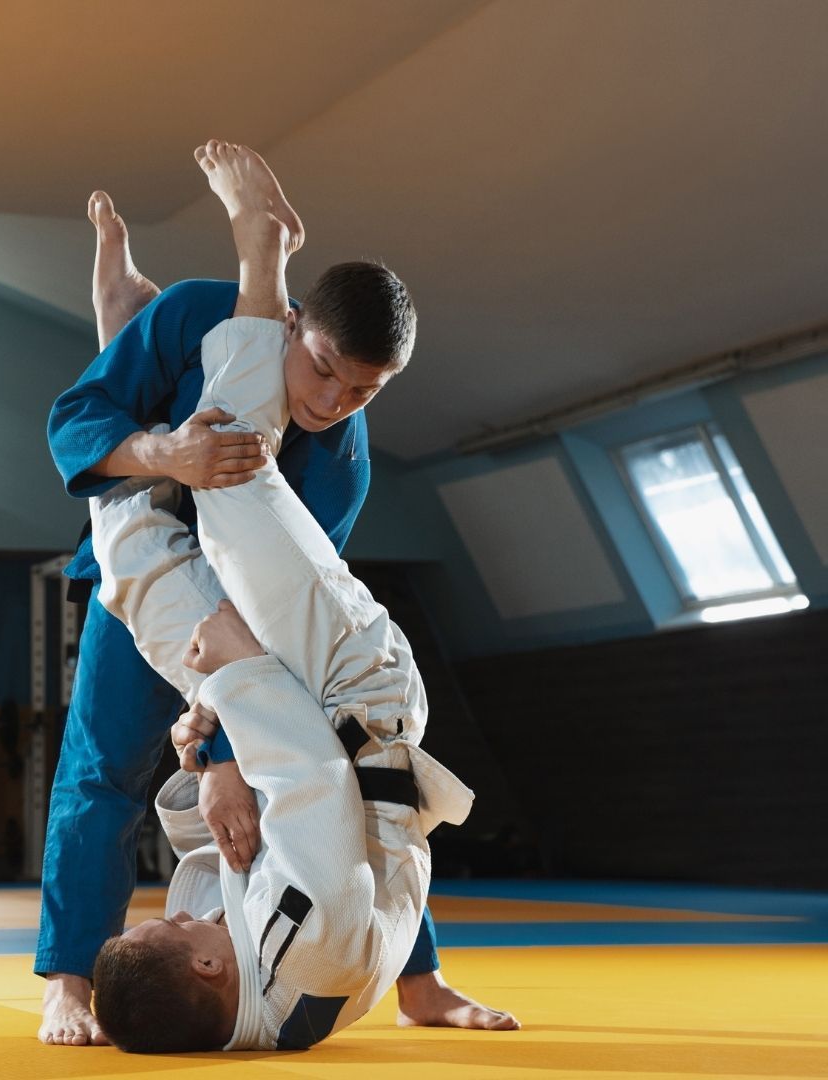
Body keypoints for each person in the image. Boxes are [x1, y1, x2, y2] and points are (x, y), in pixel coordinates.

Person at [39, 140, 517, 1044]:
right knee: (101, 771)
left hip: (241, 633)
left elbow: (274, 635)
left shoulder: (343, 466)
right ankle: (68, 979)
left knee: (333, 796)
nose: (336, 400)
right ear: (291, 323)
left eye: (365, 390)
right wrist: (160, 453)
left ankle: (420, 981)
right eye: (325, 368)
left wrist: (218, 748)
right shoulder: (193, 316)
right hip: (155, 523)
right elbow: (78, 421)